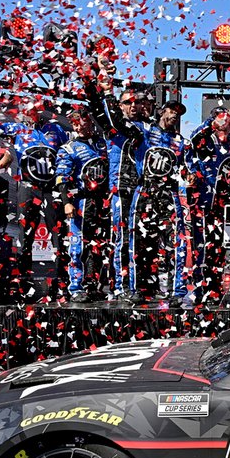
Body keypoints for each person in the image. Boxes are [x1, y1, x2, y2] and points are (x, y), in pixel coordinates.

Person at [86, 69, 157, 302]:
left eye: (137, 102)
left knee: (144, 240)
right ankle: (123, 286)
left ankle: (143, 283)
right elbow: (100, 112)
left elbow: (115, 118)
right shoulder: (114, 127)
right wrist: (94, 82)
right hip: (122, 189)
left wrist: (107, 92)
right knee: (124, 238)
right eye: (128, 103)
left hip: (144, 190)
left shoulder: (142, 128)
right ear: (120, 105)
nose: (134, 106)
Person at [0, 105, 69, 298]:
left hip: (51, 188)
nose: (33, 114)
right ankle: (21, 279)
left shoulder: (57, 130)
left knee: (57, 235)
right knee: (25, 234)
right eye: (29, 110)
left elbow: (67, 153)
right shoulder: (19, 129)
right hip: (28, 188)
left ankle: (59, 282)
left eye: (37, 110)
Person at [185, 108, 230, 305]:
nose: (225, 123)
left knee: (219, 248)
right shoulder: (204, 137)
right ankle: (200, 288)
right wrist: (210, 123)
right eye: (221, 119)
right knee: (201, 246)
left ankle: (215, 289)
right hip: (203, 199)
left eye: (228, 119)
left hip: (225, 202)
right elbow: (192, 144)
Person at [54, 109, 109, 302]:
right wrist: (67, 202)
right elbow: (61, 178)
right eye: (74, 122)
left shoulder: (104, 144)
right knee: (78, 245)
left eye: (81, 121)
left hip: (103, 202)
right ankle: (75, 287)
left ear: (90, 121)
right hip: (81, 202)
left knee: (99, 246)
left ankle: (92, 285)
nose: (77, 125)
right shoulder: (69, 148)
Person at [138, 100, 189, 302]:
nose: (175, 115)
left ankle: (176, 291)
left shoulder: (180, 140)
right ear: (162, 111)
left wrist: (189, 175)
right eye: (171, 110)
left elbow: (185, 167)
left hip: (169, 194)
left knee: (174, 242)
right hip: (147, 192)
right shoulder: (146, 131)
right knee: (144, 241)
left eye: (179, 113)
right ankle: (147, 287)